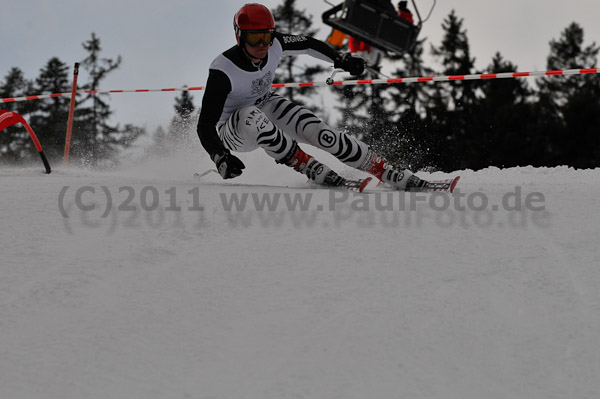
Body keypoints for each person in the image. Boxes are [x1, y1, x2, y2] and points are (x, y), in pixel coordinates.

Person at [197, 3, 427, 190]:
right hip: (234, 130)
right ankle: (307, 165)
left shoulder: (275, 44)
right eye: (254, 38)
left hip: (266, 104)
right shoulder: (223, 70)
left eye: (266, 37)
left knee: (319, 131)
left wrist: (341, 60)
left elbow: (307, 44)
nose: (261, 45)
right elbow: (205, 125)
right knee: (251, 116)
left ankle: (384, 169)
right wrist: (221, 157)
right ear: (239, 37)